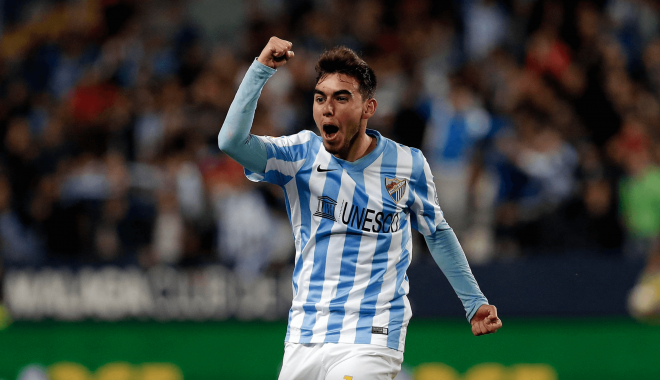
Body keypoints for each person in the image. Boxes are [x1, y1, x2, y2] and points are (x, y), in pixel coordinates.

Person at [218, 37, 502, 380]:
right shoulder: (300, 156)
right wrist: (261, 69)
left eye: (341, 98)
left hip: (372, 335)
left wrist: (474, 301)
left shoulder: (406, 164)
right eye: (320, 98)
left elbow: (437, 233)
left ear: (368, 108)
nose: (328, 108)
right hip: (305, 336)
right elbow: (231, 141)